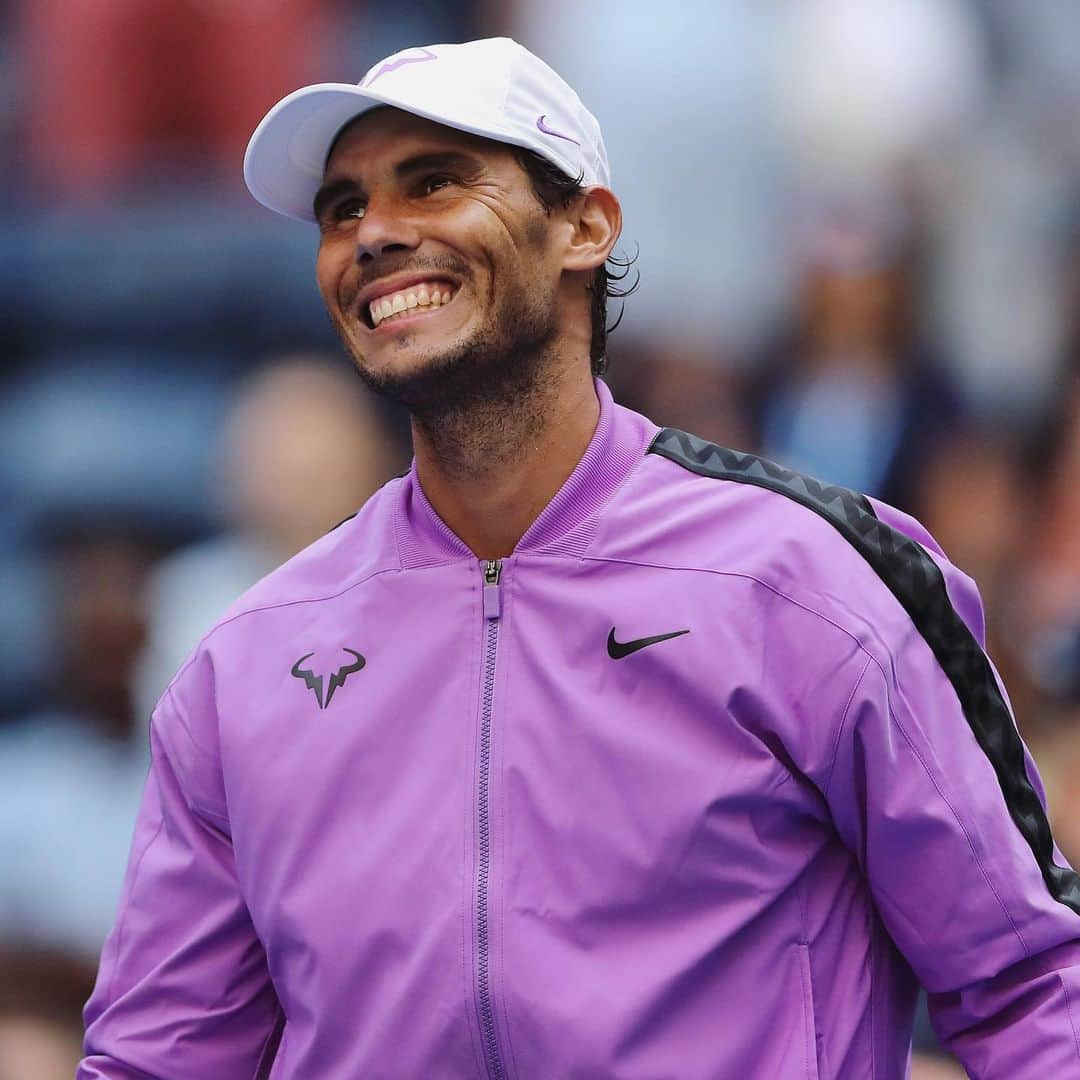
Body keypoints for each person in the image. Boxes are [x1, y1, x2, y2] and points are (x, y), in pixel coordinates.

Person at [79, 38, 1080, 1079]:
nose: (374, 234)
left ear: (584, 226)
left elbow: (1031, 987)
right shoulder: (243, 662)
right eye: (343, 209)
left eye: (433, 183)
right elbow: (158, 1061)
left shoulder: (818, 578)